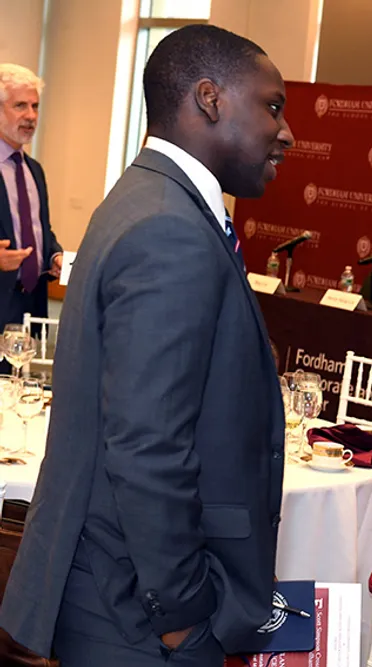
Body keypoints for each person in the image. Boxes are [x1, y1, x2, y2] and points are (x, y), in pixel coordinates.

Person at [0, 25, 294, 665]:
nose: (286, 132)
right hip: (137, 613)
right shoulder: (170, 226)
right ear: (211, 99)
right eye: (272, 106)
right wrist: (182, 616)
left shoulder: (152, 199)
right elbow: (147, 443)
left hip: (121, 595)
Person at [0, 64, 62, 331]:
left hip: (30, 306)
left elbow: (39, 230)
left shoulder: (34, 170)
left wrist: (53, 257)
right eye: (20, 106)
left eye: (35, 106)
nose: (30, 116)